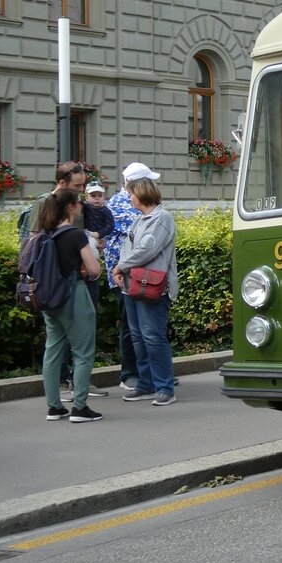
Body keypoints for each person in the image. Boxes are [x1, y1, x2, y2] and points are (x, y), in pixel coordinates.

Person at [23, 163, 107, 399]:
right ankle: (71, 393)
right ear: (62, 184)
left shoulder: (73, 206)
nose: (82, 191)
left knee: (63, 340)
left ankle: (64, 394)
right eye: (77, 186)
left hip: (71, 279)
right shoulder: (46, 203)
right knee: (73, 343)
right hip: (62, 282)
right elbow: (34, 241)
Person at [113, 163, 178, 407]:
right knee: (139, 337)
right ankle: (146, 384)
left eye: (131, 193)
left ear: (141, 193)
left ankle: (165, 388)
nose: (129, 198)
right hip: (133, 286)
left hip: (152, 287)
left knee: (152, 337)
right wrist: (121, 269)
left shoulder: (161, 218)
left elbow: (146, 250)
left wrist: (121, 267)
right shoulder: (141, 219)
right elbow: (128, 248)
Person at [37, 188, 104, 423]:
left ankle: (54, 407)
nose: (82, 205)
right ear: (71, 207)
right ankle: (80, 408)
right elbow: (94, 269)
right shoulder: (76, 235)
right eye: (79, 202)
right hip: (74, 295)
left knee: (53, 352)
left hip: (49, 298)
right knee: (83, 352)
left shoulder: (47, 233)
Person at [105, 180, 142, 391]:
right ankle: (130, 374)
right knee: (130, 327)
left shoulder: (143, 205)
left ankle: (149, 373)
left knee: (146, 327)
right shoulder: (119, 204)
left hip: (143, 276)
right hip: (126, 278)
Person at [81, 183, 115, 309]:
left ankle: (93, 266)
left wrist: (99, 233)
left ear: (104, 197)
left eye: (99, 196)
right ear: (87, 197)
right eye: (93, 196)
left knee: (91, 247)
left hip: (96, 236)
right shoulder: (85, 207)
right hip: (85, 231)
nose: (96, 199)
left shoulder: (105, 210)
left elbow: (111, 225)